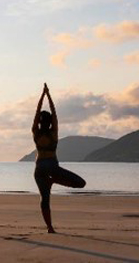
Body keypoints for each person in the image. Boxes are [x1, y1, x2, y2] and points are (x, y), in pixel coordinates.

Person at [32, 83, 86, 233]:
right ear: (49, 122)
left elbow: (36, 113)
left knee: (44, 199)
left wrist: (42, 96)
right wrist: (48, 95)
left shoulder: (35, 132)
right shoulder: (53, 133)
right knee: (81, 183)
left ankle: (50, 228)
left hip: (39, 168)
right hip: (51, 166)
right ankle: (54, 180)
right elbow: (54, 113)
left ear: (39, 122)